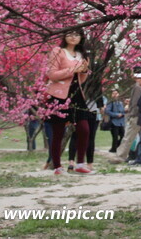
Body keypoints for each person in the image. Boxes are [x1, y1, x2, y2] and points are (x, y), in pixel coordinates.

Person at [43, 30, 92, 175]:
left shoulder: (82, 55)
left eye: (76, 35)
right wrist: (73, 69)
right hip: (59, 95)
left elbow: (81, 79)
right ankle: (57, 166)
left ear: (81, 38)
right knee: (58, 132)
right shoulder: (58, 52)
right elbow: (51, 74)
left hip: (77, 94)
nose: (73, 37)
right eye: (70, 34)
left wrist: (83, 71)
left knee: (84, 129)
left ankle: (80, 164)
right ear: (64, 37)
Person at [111, 68, 141, 164]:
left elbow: (137, 103)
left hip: (137, 116)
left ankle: (120, 156)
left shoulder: (138, 87)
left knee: (128, 137)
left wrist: (132, 113)